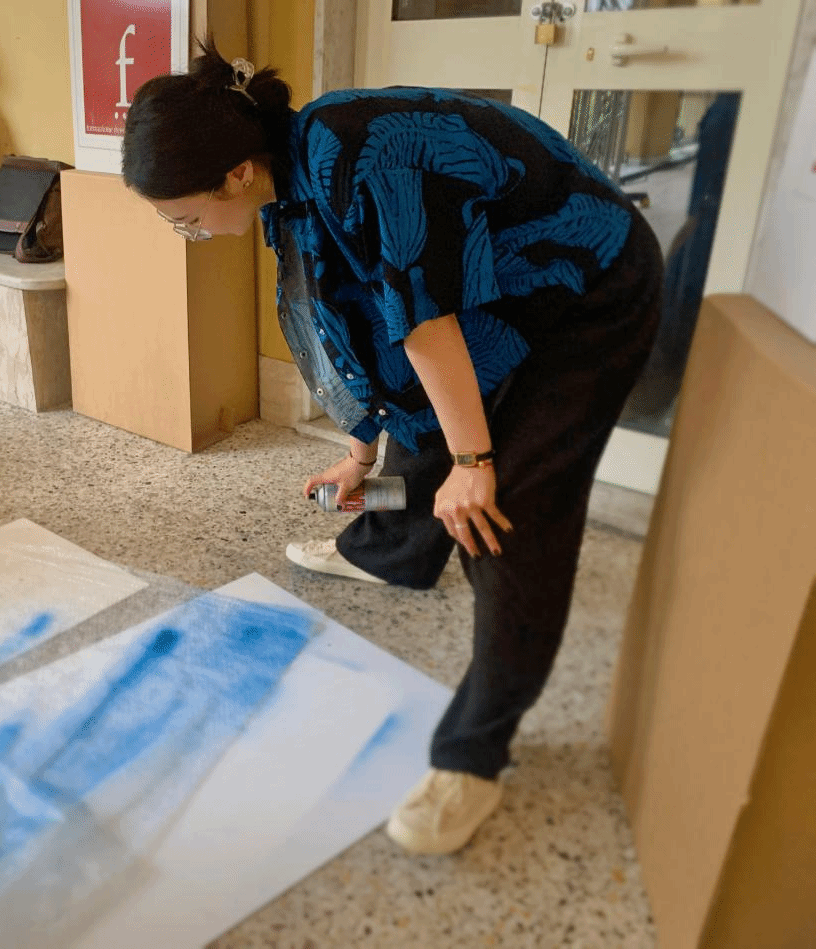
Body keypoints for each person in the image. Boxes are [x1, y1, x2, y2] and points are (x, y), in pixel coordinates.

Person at [122, 43, 662, 856]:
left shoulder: (355, 162)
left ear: (235, 173)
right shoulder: (286, 175)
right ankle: (389, 551)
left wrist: (476, 464)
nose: (189, 235)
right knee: (421, 435)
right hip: (498, 293)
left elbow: (422, 322)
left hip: (589, 287)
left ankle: (474, 755)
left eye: (185, 220)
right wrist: (360, 453)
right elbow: (355, 321)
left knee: (504, 516)